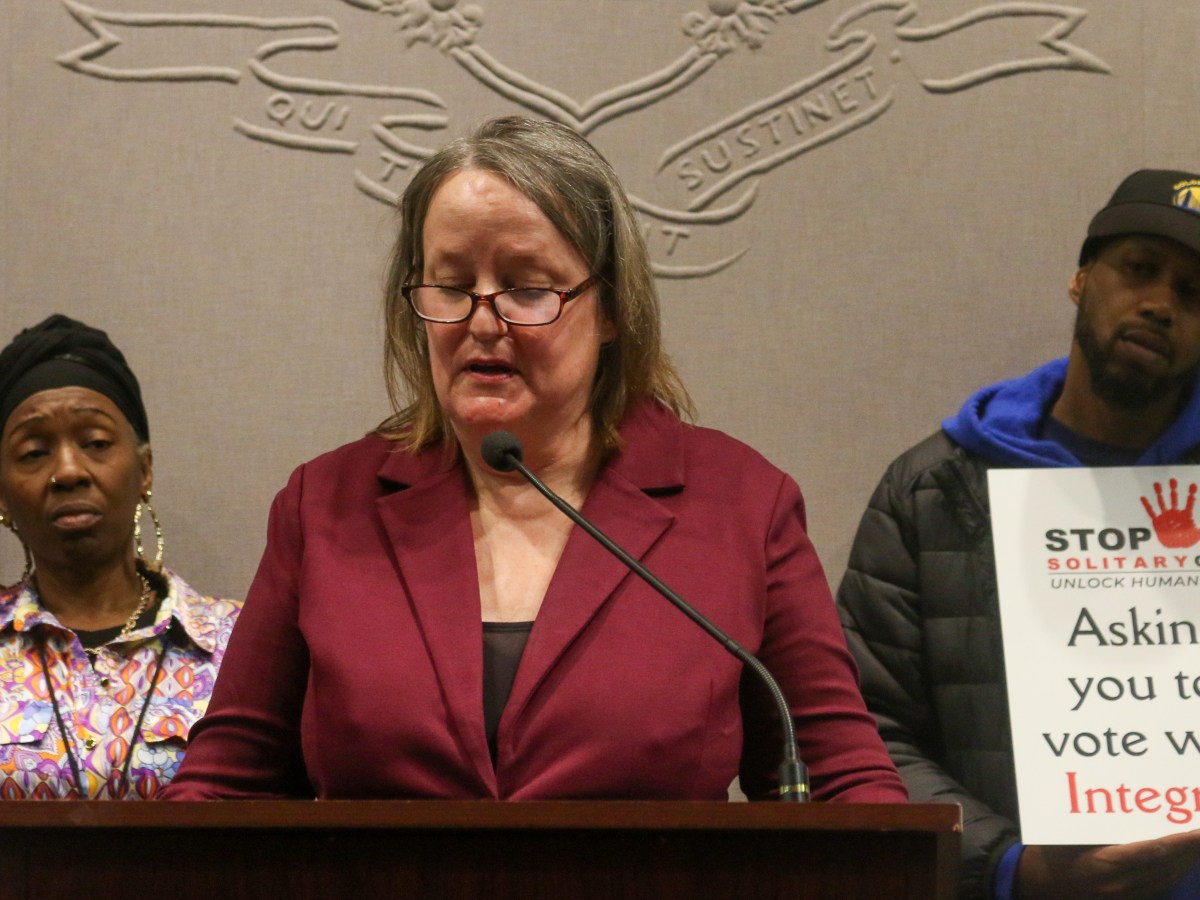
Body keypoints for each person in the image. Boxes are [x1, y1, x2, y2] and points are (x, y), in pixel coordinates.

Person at [164, 115, 906, 803]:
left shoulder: (741, 505)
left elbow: (842, 781)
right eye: (452, 285)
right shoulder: (326, 506)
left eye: (527, 288)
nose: (483, 320)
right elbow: (229, 784)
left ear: (612, 306)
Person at [837, 169, 1200, 898]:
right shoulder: (934, 491)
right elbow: (865, 730)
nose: (1160, 304)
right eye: (1138, 270)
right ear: (1080, 278)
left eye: (1196, 294)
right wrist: (1007, 868)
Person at [0, 315, 242, 799]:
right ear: (2, 496)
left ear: (144, 468)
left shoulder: (240, 646)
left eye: (95, 443)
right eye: (33, 452)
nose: (68, 471)